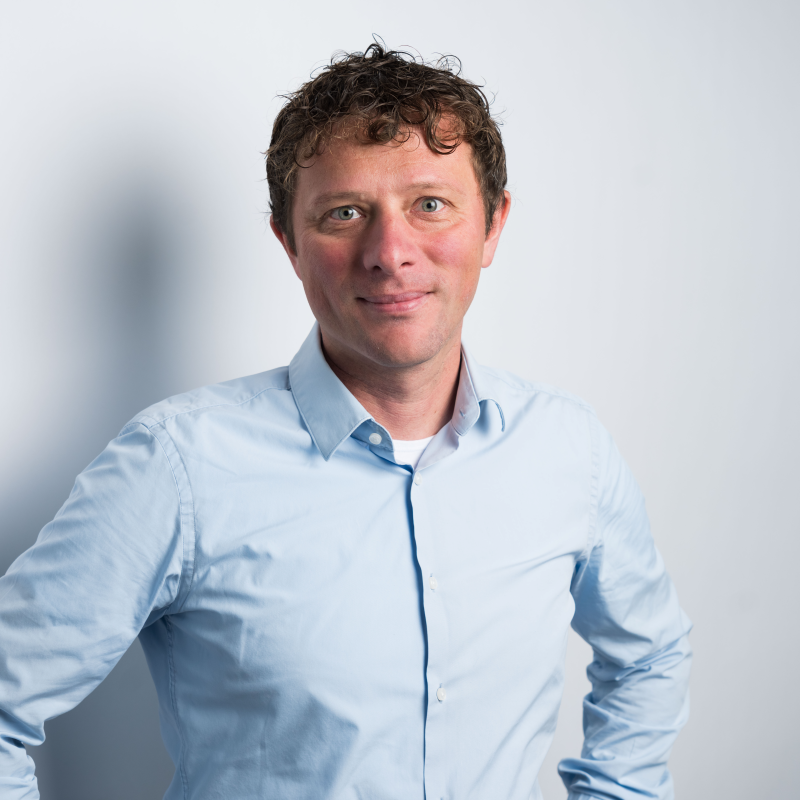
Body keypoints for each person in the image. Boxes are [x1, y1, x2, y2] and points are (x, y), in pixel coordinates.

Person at [0, 43, 691, 800]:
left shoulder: (569, 451)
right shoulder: (177, 467)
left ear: (493, 225)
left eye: (430, 205)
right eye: (345, 213)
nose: (390, 254)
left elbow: (649, 656)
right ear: (290, 244)